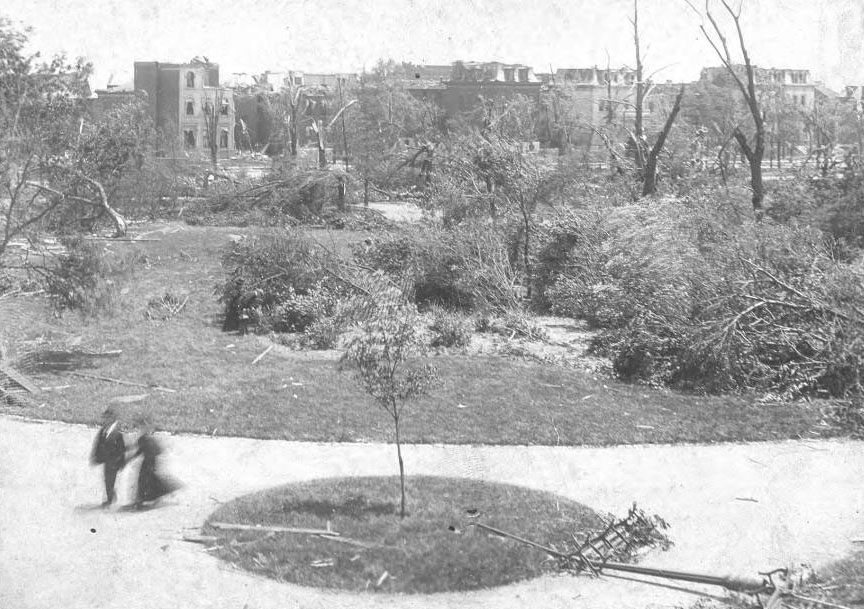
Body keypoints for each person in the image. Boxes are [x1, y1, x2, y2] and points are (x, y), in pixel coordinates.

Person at [130, 417, 181, 510]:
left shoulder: (146, 438)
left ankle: (141, 500)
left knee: (147, 480)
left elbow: (153, 450)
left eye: (142, 427)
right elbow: (140, 451)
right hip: (147, 462)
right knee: (146, 480)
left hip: (150, 462)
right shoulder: (143, 438)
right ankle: (141, 500)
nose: (140, 429)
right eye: (140, 427)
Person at [90, 408, 126, 507]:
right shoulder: (103, 431)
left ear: (111, 419)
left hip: (114, 462)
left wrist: (121, 461)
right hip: (106, 460)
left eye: (106, 418)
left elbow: (122, 449)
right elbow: (98, 444)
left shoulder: (117, 433)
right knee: (107, 480)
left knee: (110, 480)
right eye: (104, 418)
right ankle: (111, 496)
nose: (104, 420)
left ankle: (110, 500)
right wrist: (96, 456)